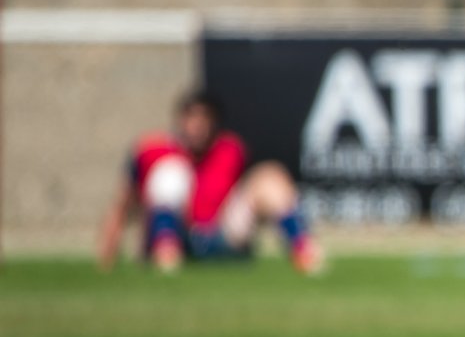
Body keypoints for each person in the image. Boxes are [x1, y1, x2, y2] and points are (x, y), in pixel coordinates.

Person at [95, 90, 323, 274]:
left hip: (220, 235)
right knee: (170, 176)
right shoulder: (152, 150)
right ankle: (167, 260)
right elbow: (123, 203)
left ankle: (304, 253)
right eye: (192, 118)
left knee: (270, 176)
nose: (198, 126)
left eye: (205, 119)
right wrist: (108, 254)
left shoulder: (231, 149)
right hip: (177, 235)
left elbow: (249, 198)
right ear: (180, 120)